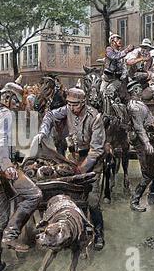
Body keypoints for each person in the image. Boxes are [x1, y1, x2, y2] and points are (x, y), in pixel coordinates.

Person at [35, 87, 106, 251]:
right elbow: (51, 115)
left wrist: (82, 168)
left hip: (92, 162)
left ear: (83, 102)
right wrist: (42, 132)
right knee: (70, 195)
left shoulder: (95, 117)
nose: (71, 108)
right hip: (72, 158)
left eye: (75, 105)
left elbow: (96, 150)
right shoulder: (67, 109)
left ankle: (99, 233)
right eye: (69, 104)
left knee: (93, 201)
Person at [0, 81, 42, 271]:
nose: (18, 105)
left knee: (1, 215)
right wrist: (7, 165)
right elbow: (0, 141)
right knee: (34, 195)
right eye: (17, 101)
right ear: (8, 98)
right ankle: (11, 236)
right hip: (0, 169)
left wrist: (18, 157)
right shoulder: (6, 114)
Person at [126, 80, 154, 212]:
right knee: (148, 173)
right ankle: (135, 201)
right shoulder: (134, 106)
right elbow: (138, 128)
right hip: (141, 141)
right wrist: (147, 143)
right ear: (135, 90)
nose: (142, 91)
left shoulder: (141, 104)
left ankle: (152, 197)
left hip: (149, 138)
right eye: (139, 89)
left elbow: (151, 118)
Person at [101, 33, 135, 112]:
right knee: (101, 92)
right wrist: (127, 50)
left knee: (109, 92)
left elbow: (123, 66)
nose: (120, 41)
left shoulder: (121, 54)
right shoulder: (109, 49)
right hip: (107, 78)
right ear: (112, 41)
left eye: (120, 39)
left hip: (116, 80)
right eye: (117, 39)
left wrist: (124, 75)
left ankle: (110, 112)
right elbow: (114, 56)